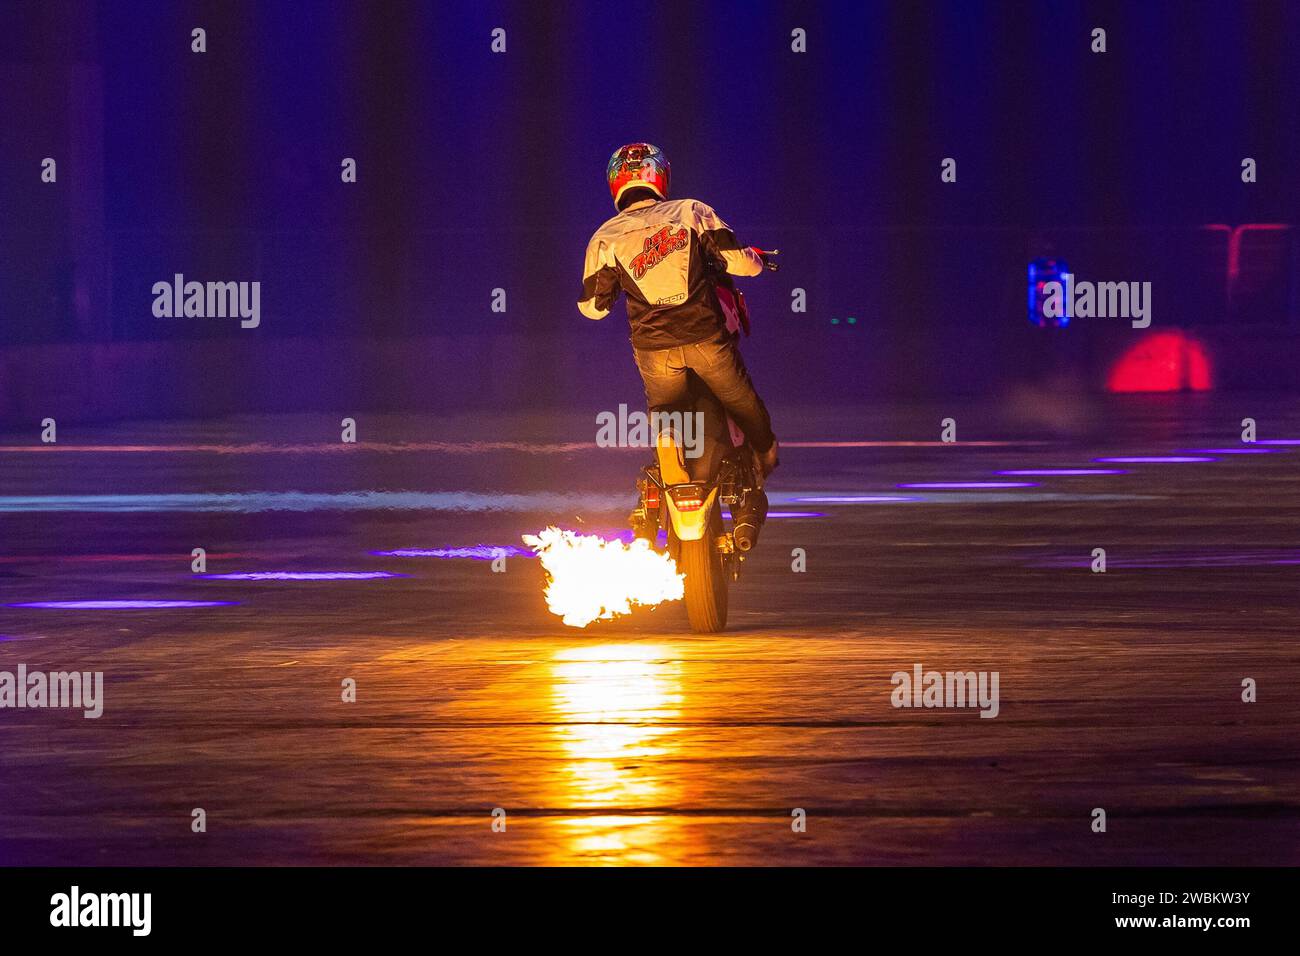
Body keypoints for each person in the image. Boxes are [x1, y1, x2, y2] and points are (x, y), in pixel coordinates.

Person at [578, 142, 779, 478]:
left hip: (653, 348)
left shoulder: (605, 236)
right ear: (659, 176)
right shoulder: (689, 211)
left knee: (665, 407)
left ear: (615, 183)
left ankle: (668, 440)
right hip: (705, 336)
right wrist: (758, 259)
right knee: (740, 398)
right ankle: (764, 452)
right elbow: (741, 263)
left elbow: (592, 308)